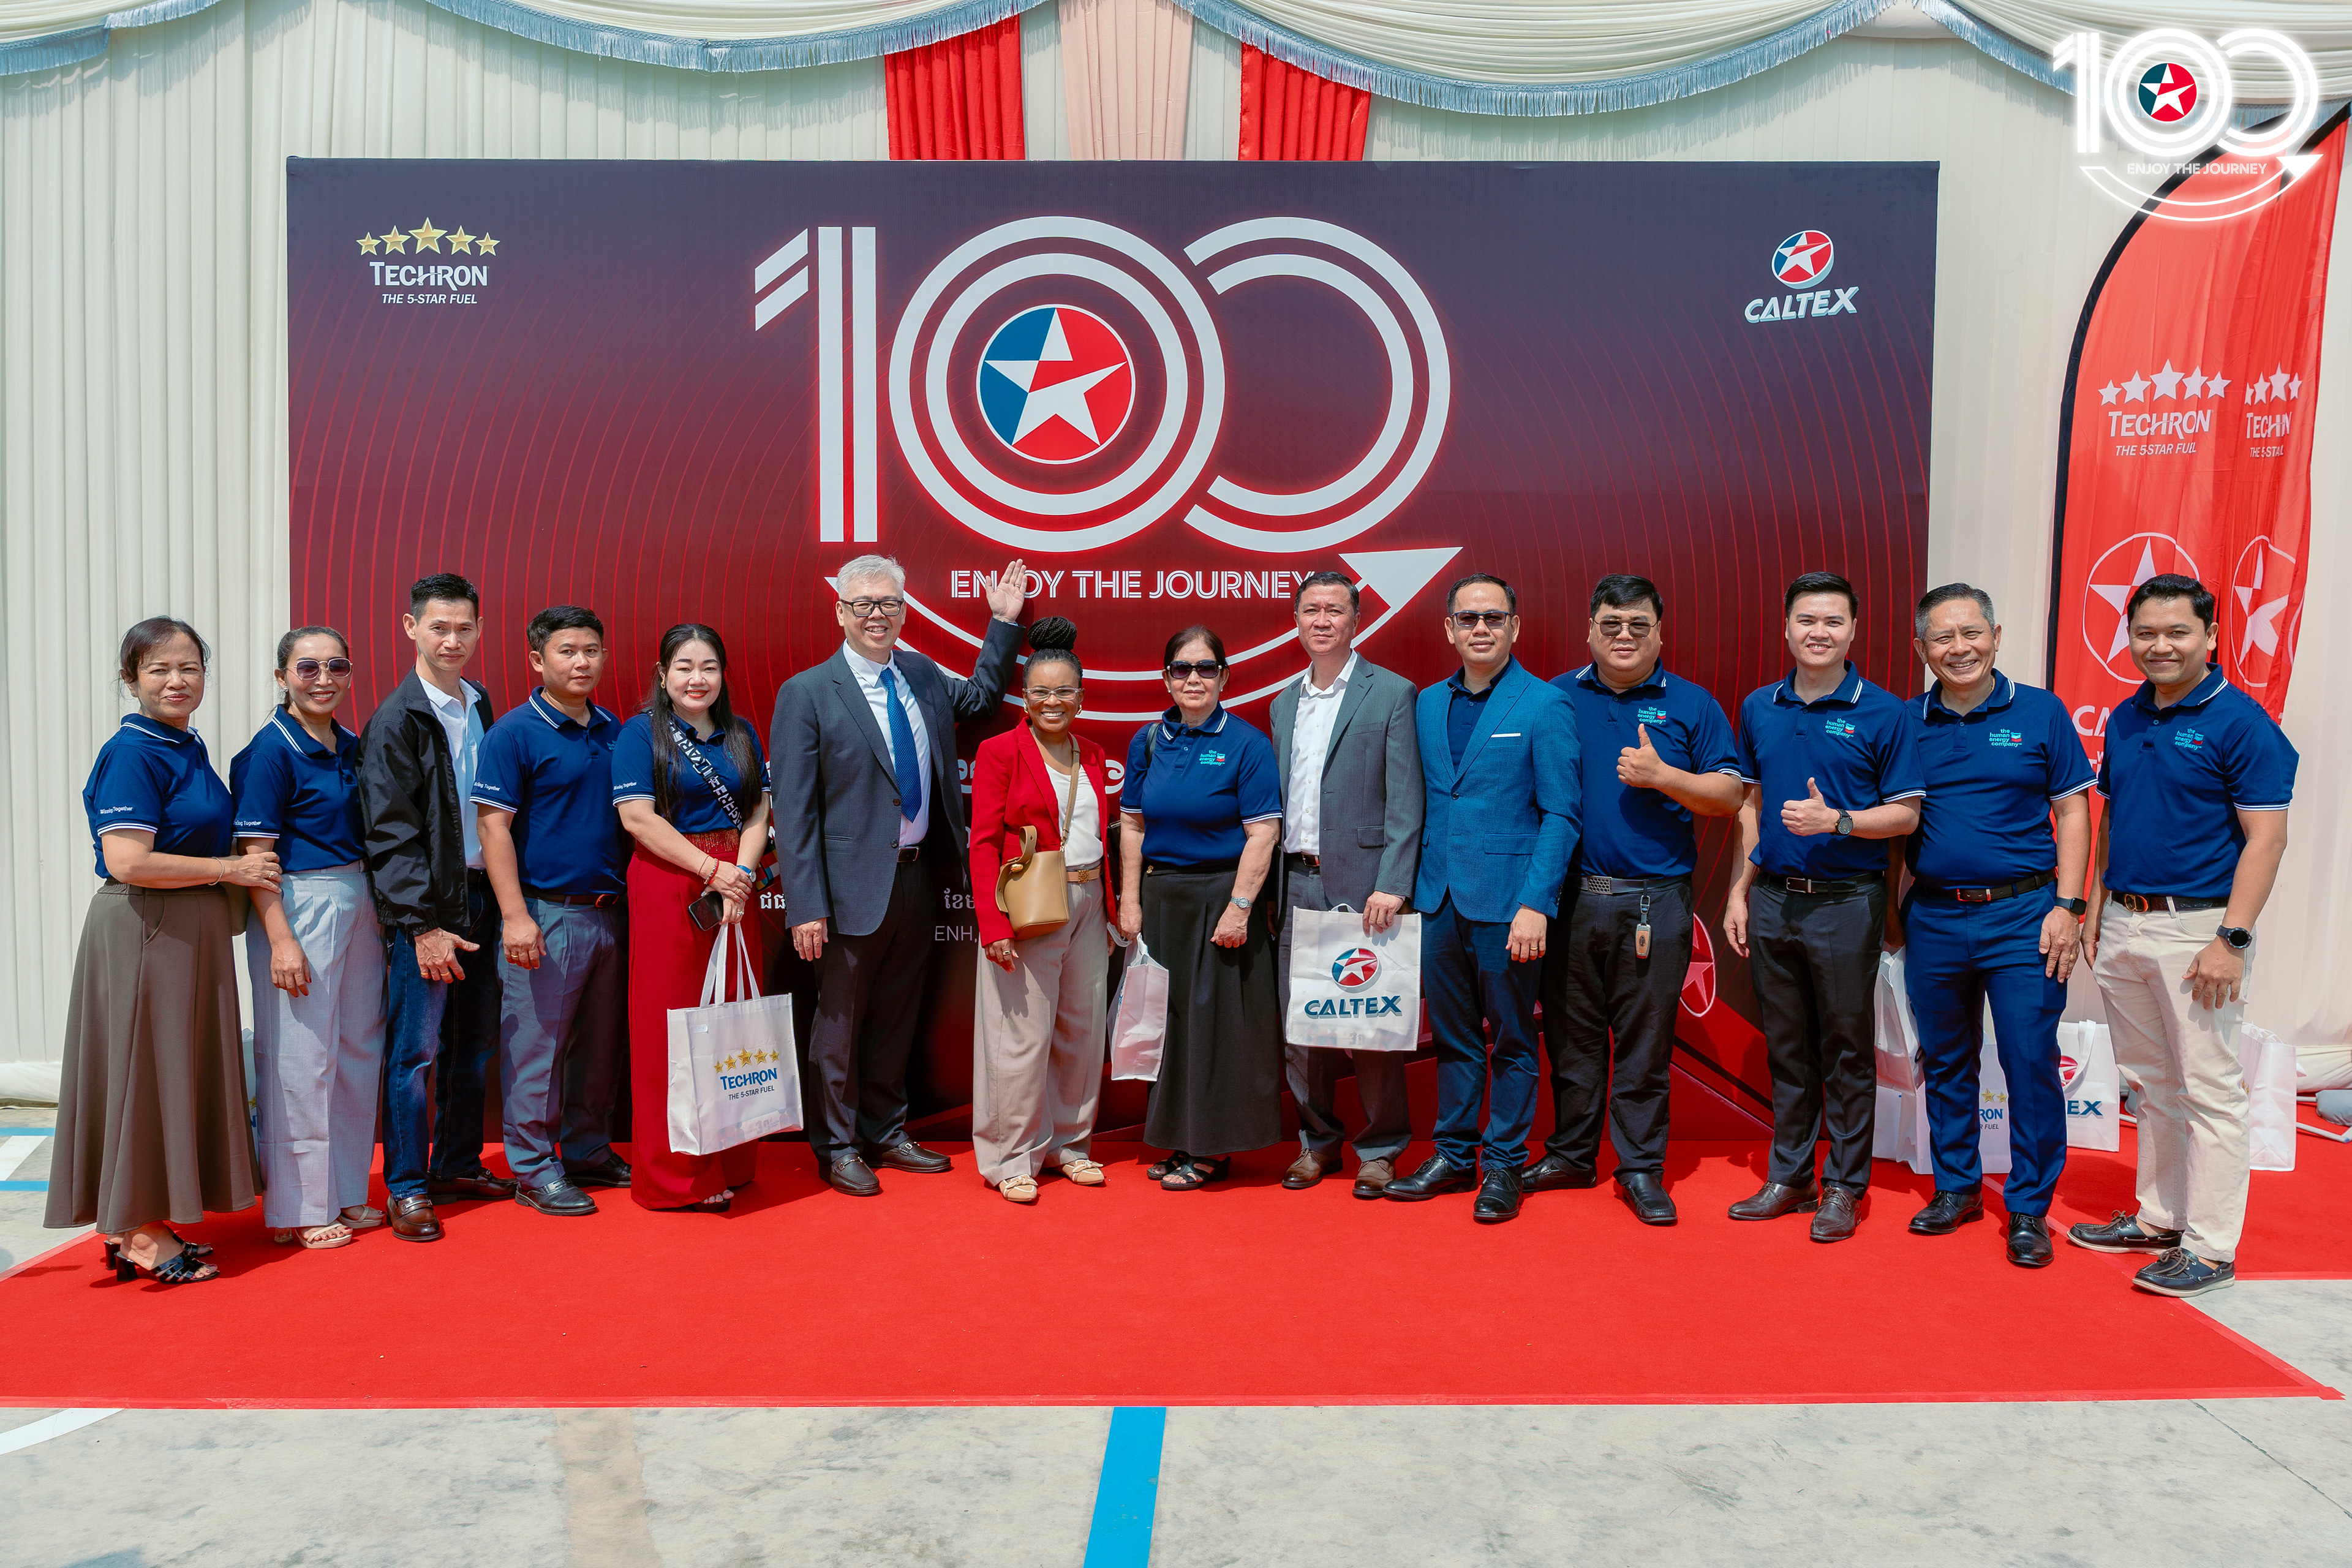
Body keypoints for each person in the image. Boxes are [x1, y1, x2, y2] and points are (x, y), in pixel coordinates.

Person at [774, 554, 1028, 1196]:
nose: (877, 615)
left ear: (904, 610)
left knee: (895, 1016)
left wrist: (1003, 623)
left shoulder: (920, 674)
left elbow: (980, 698)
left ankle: (886, 1132)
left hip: (916, 879)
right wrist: (806, 904)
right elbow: (794, 812)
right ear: (840, 611)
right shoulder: (808, 692)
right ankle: (837, 1147)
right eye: (863, 604)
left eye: (888, 603)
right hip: (843, 892)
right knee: (838, 1027)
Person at [2071, 574, 2295, 1298]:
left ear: (2211, 637)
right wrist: (2097, 905)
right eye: (2146, 633)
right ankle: (2161, 1219)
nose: (2160, 645)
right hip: (2125, 921)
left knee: (2209, 1088)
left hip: (2199, 929)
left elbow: (2267, 840)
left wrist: (2232, 939)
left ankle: (2211, 1247)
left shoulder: (2242, 723)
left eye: (2177, 632)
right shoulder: (2127, 715)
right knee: (2150, 1082)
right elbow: (2113, 815)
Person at [47, 618, 274, 1284]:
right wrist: (231, 870)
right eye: (159, 669)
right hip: (146, 927)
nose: (177, 681)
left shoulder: (184, 744)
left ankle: (142, 1219)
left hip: (185, 929)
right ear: (131, 679)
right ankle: (135, 1230)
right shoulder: (133, 752)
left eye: (189, 668)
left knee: (167, 1073)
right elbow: (128, 860)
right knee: (143, 1074)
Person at [1890, 585, 2094, 1269]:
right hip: (1935, 915)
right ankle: (1957, 1188)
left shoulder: (2041, 711)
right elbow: (1896, 826)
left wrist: (2070, 907)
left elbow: (2072, 812)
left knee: (2029, 1060)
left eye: (1972, 633)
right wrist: (1893, 918)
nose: (1960, 648)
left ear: (1996, 636)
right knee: (1947, 1059)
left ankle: (2029, 1207)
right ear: (1922, 648)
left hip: (2025, 916)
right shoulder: (1903, 721)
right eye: (1943, 638)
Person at [1532, 575, 1741, 1226]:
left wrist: (1664, 777)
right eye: (1612, 624)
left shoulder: (1692, 703)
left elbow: (1729, 796)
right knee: (1571, 1039)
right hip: (1570, 899)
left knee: (1646, 1044)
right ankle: (1572, 1154)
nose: (1624, 636)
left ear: (1660, 633)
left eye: (1638, 625)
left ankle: (1641, 1168)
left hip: (1656, 902)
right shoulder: (1555, 698)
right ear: (1590, 630)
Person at [1722, 571, 1923, 1242]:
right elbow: (1750, 804)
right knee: (1787, 1047)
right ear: (1786, 628)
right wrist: (1739, 890)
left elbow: (1905, 815)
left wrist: (1837, 821)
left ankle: (1843, 1185)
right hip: (1774, 898)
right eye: (1806, 620)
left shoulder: (1885, 712)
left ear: (1854, 630)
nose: (1819, 632)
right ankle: (1791, 1176)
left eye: (1833, 621)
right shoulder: (1760, 706)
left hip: (1848, 902)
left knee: (1844, 1049)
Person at [1384, 575, 1578, 1224]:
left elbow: (1561, 815)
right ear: (1449, 629)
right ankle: (1452, 1156)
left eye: (1494, 617)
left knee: (1514, 1040)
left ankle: (1503, 1166)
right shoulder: (1427, 704)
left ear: (1514, 627)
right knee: (1454, 1039)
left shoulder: (1545, 704)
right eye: (1468, 618)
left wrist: (1537, 904)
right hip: (1438, 898)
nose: (1481, 628)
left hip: (1509, 905)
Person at [358, 572, 510, 1244]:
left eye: (464, 628)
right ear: (410, 628)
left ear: (479, 630)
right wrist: (421, 926)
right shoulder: (397, 720)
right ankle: (407, 1187)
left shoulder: (479, 702)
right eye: (439, 627)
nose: (453, 640)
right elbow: (389, 835)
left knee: (472, 1048)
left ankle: (456, 1164)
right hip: (428, 909)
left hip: (482, 898)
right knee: (415, 1054)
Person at [1268, 570, 1423, 1199]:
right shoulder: (1284, 703)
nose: (1323, 620)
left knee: (1373, 1028)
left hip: (1367, 890)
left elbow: (1406, 799)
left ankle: (1381, 1149)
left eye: (1335, 610)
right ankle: (1318, 1142)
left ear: (1356, 621)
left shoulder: (1391, 693)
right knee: (1302, 1028)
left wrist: (1393, 884)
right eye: (1311, 609)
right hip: (1296, 881)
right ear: (1296, 620)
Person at [230, 627, 386, 1251]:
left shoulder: (351, 744)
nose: (324, 679)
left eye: (336, 666)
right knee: (300, 1058)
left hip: (358, 896)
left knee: (356, 1051)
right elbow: (255, 858)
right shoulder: (268, 752)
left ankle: (344, 1189)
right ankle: (297, 1206)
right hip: (298, 901)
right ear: (282, 677)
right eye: (308, 667)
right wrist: (281, 939)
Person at [474, 606, 631, 1217]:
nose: (581, 662)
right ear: (538, 660)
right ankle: (534, 1169)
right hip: (546, 914)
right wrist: (515, 916)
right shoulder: (513, 734)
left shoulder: (616, 730)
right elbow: (493, 828)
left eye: (591, 650)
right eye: (567, 651)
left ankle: (589, 1149)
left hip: (609, 913)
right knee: (536, 1052)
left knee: (599, 1049)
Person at [1116, 626, 1286, 1188]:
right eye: (1183, 669)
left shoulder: (1247, 744)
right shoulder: (1148, 741)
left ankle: (1213, 1147)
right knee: (1168, 1023)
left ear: (1224, 677)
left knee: (1218, 1026)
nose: (1194, 678)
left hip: (1222, 899)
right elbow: (1133, 825)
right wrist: (1130, 901)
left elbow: (1262, 835)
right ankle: (1180, 1137)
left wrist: (1240, 908)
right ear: (1166, 678)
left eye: (1206, 668)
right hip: (1164, 900)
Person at [613, 624, 772, 1213]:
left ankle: (731, 1159)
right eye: (683, 667)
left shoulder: (742, 733)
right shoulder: (639, 734)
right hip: (672, 886)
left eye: (708, 667)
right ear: (663, 675)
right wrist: (712, 870)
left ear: (723, 674)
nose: (696, 679)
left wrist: (743, 875)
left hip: (735, 889)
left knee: (731, 1024)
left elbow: (759, 811)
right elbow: (638, 819)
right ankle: (674, 1177)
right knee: (672, 1029)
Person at [968, 618, 1118, 1204]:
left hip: (1088, 902)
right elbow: (983, 844)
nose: (1052, 702)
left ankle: (1070, 1146)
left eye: (1064, 692)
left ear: (1081, 696)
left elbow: (1102, 836)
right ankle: (1009, 1156)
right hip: (1028, 906)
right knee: (1021, 1037)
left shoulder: (1095, 752)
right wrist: (993, 925)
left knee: (1081, 1031)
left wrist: (1111, 910)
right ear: (1024, 698)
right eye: (1040, 692)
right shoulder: (999, 751)